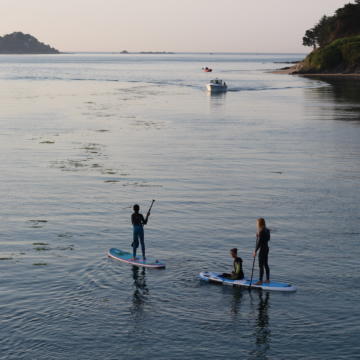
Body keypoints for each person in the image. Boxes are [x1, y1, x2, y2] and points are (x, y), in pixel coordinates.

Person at [253, 218, 270, 285]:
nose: (256, 224)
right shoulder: (267, 230)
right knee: (266, 264)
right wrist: (259, 236)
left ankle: (260, 281)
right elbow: (268, 239)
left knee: (260, 265)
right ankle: (267, 279)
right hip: (266, 248)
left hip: (262, 249)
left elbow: (259, 243)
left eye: (257, 223)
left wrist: (255, 251)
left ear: (260, 223)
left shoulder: (261, 231)